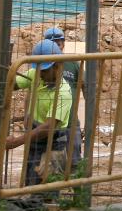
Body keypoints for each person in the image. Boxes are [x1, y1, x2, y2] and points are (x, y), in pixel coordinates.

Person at [6, 40, 73, 186]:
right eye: (38, 69)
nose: (40, 74)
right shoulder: (36, 74)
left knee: (46, 188)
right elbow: (13, 84)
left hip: (53, 143)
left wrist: (17, 141)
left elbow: (48, 128)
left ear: (57, 66)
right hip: (35, 139)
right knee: (30, 182)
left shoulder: (63, 93)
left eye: (44, 70)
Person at [43, 26, 83, 165]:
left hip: (71, 121)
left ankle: (77, 184)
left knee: (75, 159)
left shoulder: (73, 64)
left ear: (63, 44)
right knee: (50, 162)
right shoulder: (42, 67)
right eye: (53, 44)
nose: (57, 47)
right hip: (48, 123)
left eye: (59, 44)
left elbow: (85, 87)